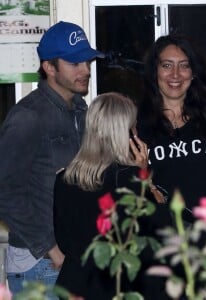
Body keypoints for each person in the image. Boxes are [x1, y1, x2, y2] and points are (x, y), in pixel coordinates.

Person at [0, 20, 104, 296]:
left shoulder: (81, 111)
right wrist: (52, 250)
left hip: (72, 258)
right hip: (42, 263)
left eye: (87, 61)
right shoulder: (28, 117)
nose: (85, 70)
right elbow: (6, 190)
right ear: (49, 67)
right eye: (74, 63)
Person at [53, 92, 171, 299]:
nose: (137, 132)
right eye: (133, 127)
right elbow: (158, 239)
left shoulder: (64, 179)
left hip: (76, 287)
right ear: (124, 132)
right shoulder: (131, 179)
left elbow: (65, 242)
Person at [137, 34, 206, 223]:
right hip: (159, 236)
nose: (175, 74)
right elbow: (124, 174)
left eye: (184, 65)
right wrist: (148, 185)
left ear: (193, 72)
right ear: (154, 71)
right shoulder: (139, 121)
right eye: (166, 65)